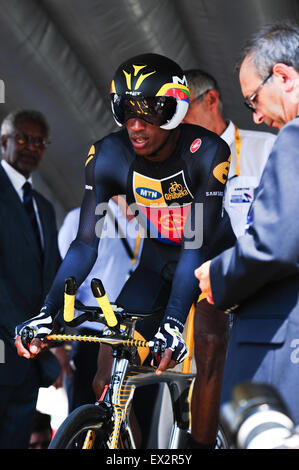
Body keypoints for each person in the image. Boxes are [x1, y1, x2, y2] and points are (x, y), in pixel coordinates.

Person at [14, 53, 233, 448]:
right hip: (157, 260)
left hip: (208, 259)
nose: (136, 126)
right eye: (126, 113)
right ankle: (117, 439)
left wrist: (172, 322)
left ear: (174, 111)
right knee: (108, 366)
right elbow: (84, 245)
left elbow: (196, 247)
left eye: (148, 115)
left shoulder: (208, 152)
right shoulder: (107, 157)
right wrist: (48, 313)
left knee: (209, 347)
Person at [195, 22, 299, 424]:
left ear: (285, 77)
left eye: (254, 99)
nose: (256, 115)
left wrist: (218, 275)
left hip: (281, 353)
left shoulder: (292, 138)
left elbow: (278, 243)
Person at [181, 69, 276, 447]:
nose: (175, 120)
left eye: (181, 108)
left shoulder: (265, 147)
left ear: (211, 100)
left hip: (256, 290)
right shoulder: (176, 159)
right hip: (198, 290)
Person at [0, 109, 61, 449]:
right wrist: (19, 329)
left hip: (28, 361)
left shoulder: (43, 207)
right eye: (23, 138)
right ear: (3, 141)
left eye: (39, 141)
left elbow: (55, 271)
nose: (31, 147)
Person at [58, 196, 143, 411]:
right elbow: (61, 281)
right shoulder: (79, 219)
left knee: (135, 421)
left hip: (140, 338)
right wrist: (56, 345)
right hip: (92, 334)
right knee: (83, 421)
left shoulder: (153, 223)